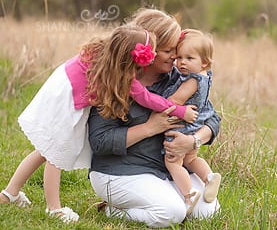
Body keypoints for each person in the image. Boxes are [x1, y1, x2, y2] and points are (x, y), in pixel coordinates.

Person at [0, 22, 199, 223]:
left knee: (44, 150)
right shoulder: (123, 76)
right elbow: (148, 99)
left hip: (60, 91)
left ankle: (10, 193)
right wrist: (181, 110)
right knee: (56, 153)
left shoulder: (103, 54)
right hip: (68, 101)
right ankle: (54, 208)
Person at [87, 8, 222, 227]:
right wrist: (151, 127)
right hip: (122, 170)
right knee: (172, 213)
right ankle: (112, 211)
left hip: (165, 169)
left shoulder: (178, 79)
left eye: (177, 52)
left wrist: (193, 141)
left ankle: (160, 197)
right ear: (148, 50)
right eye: (169, 51)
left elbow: (212, 118)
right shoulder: (116, 83)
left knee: (207, 211)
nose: (175, 58)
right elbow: (100, 141)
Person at [162, 29, 222, 212]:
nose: (182, 63)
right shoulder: (205, 76)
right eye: (179, 58)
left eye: (189, 58)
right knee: (191, 158)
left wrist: (158, 100)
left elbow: (176, 101)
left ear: (204, 62)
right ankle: (209, 178)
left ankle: (189, 194)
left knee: (172, 161)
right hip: (197, 126)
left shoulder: (192, 81)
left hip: (183, 127)